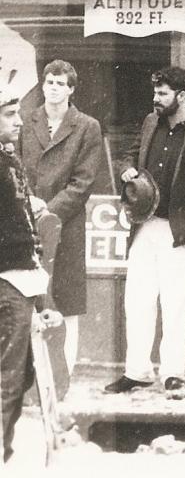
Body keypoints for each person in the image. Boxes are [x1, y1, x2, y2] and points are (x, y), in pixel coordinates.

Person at [105, 67, 185, 393]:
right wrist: (126, 170)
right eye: (156, 92)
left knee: (176, 302)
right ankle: (137, 371)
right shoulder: (151, 122)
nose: (156, 99)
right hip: (144, 225)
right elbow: (128, 155)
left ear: (181, 96)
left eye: (163, 93)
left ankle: (172, 372)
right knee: (137, 301)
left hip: (178, 229)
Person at [18, 60, 102, 377]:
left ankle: (64, 371)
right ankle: (33, 374)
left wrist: (49, 212)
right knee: (31, 294)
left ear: (71, 89)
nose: (53, 88)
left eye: (60, 83)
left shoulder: (87, 127)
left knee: (65, 299)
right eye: (49, 82)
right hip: (26, 224)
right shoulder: (27, 121)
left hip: (66, 225)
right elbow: (17, 170)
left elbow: (83, 182)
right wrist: (28, 207)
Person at [0, 88, 62, 464]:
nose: (19, 121)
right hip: (7, 280)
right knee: (8, 379)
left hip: (20, 280)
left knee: (18, 375)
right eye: (9, 115)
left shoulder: (9, 162)